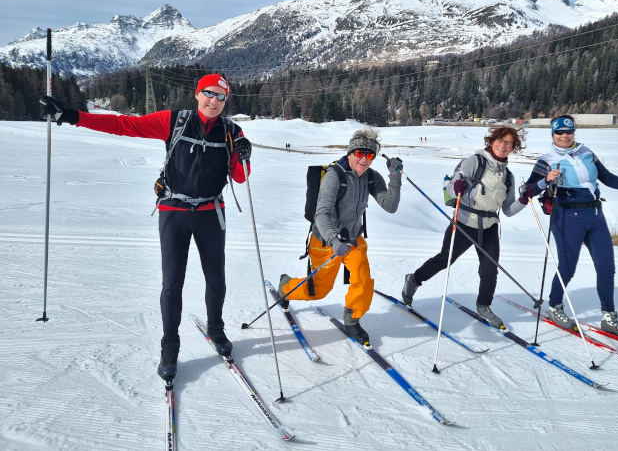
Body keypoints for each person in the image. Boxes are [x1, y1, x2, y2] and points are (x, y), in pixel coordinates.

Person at [39, 74, 253, 381]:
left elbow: (241, 177)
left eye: (222, 97)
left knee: (216, 279)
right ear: (198, 94)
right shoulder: (174, 121)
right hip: (174, 211)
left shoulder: (233, 131)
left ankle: (216, 330)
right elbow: (125, 125)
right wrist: (71, 116)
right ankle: (170, 342)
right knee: (172, 281)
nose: (214, 101)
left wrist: (242, 153)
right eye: (209, 93)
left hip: (210, 212)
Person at [522, 114, 618, 341]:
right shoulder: (546, 160)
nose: (565, 136)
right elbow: (527, 191)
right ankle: (555, 307)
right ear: (553, 134)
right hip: (567, 216)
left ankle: (609, 318)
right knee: (567, 268)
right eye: (560, 133)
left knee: (607, 268)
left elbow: (608, 178)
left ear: (574, 132)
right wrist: (546, 180)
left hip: (595, 215)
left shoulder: (587, 152)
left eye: (569, 132)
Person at [278, 128, 402, 345]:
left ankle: (352, 320)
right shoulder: (335, 176)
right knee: (318, 292)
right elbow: (321, 214)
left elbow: (390, 206)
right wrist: (334, 240)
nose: (364, 160)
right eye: (360, 154)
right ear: (351, 153)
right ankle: (286, 287)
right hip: (326, 241)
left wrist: (395, 177)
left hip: (353, 239)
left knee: (363, 278)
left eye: (370, 155)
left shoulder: (372, 177)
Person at [402, 126, 528, 330]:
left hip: (489, 226)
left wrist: (524, 199)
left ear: (513, 148)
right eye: (501, 140)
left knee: (489, 269)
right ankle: (414, 279)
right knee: (446, 259)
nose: (504, 146)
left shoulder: (508, 176)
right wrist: (457, 187)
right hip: (464, 222)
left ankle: (484, 306)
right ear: (492, 140)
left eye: (509, 143)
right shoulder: (474, 162)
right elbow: (453, 186)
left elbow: (508, 210)